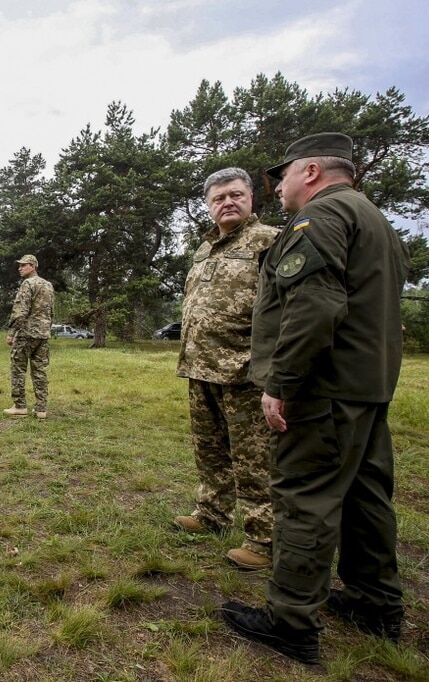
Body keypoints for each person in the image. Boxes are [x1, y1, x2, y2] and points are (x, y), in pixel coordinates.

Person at [221, 133, 410, 665]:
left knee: (305, 495)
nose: (278, 187)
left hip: (323, 390)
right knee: (365, 497)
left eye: (282, 176)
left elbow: (314, 308)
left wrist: (281, 383)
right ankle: (376, 605)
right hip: (366, 387)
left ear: (309, 172)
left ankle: (290, 622)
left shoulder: (319, 220)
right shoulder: (373, 220)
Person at [174, 168, 280, 571]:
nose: (227, 203)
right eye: (218, 199)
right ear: (209, 205)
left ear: (251, 198)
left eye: (235, 195)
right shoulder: (206, 249)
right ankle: (212, 515)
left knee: (254, 460)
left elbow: (284, 309)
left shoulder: (269, 242)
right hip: (201, 369)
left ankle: (264, 539)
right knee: (210, 451)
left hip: (245, 374)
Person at [4, 254, 54, 419]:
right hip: (43, 334)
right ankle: (41, 409)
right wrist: (46, 328)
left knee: (18, 368)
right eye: (19, 266)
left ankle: (20, 406)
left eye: (23, 265)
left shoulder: (28, 283)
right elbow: (50, 311)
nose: (20, 268)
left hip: (26, 333)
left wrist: (11, 333)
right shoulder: (48, 285)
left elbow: (20, 311)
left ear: (33, 266)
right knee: (40, 371)